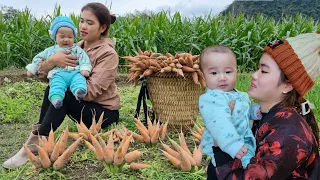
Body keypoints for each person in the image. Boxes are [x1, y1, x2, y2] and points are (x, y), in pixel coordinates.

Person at [3, 2, 120, 169]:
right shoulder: (73, 47)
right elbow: (44, 76)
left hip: (103, 113)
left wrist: (68, 79)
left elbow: (92, 91)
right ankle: (39, 139)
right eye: (81, 21)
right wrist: (51, 62)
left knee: (63, 94)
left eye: (90, 23)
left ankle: (33, 145)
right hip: (81, 107)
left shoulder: (108, 54)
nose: (83, 26)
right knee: (53, 89)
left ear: (102, 28)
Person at [211, 32, 320, 179]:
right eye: (257, 68)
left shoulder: (288, 135)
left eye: (264, 71)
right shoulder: (266, 114)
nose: (254, 75)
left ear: (287, 86)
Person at [199, 46, 261, 179]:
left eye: (228, 72)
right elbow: (219, 123)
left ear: (236, 72)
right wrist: (232, 145)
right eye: (214, 73)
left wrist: (255, 111)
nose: (222, 78)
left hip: (241, 148)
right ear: (203, 76)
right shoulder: (212, 99)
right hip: (226, 150)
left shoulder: (238, 94)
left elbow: (243, 109)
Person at [26, 16, 92, 109]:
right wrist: (33, 68)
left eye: (70, 37)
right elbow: (39, 58)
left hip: (75, 72)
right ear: (54, 36)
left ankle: (79, 91)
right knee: (56, 84)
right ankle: (56, 98)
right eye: (62, 36)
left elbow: (83, 58)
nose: (66, 39)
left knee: (79, 80)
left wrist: (84, 68)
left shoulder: (76, 49)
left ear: (74, 36)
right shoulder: (50, 51)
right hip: (58, 74)